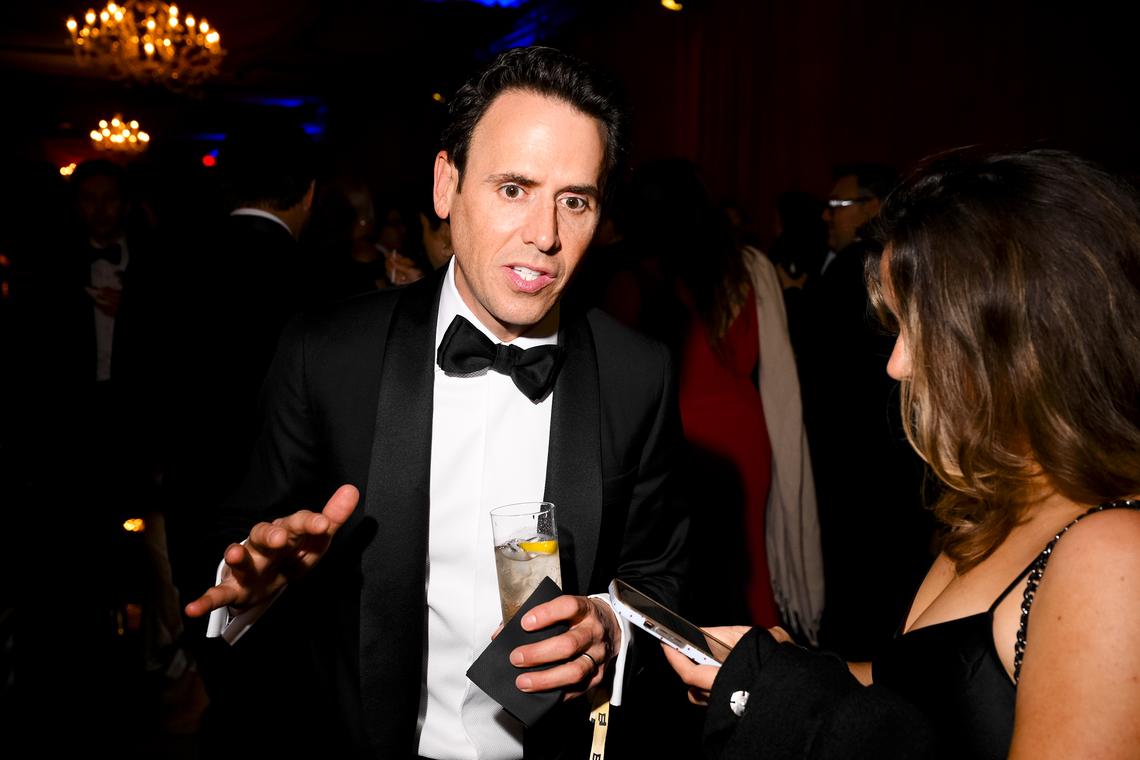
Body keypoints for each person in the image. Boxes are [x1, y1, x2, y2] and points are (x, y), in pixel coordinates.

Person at [184, 46, 688, 760]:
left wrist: (607, 625)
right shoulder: (328, 353)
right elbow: (239, 534)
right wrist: (253, 580)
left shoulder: (640, 373)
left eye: (574, 200)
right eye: (513, 188)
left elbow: (661, 576)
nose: (545, 235)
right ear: (446, 185)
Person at [664, 148, 1140, 759]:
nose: (898, 363)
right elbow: (922, 693)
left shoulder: (1114, 556)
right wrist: (783, 668)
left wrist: (788, 696)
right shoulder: (995, 504)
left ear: (1024, 338)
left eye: (923, 328)